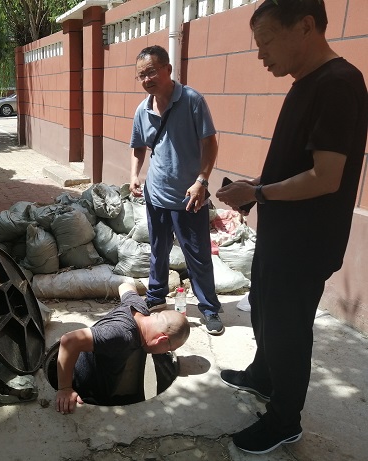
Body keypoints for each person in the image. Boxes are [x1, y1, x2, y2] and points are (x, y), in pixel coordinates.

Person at [216, 0, 368, 455]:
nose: (261, 54)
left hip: (306, 243)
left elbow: (326, 177)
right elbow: (293, 165)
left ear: (305, 26)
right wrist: (253, 187)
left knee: (288, 329)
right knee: (264, 310)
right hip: (281, 235)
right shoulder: (304, 83)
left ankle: (285, 420)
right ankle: (263, 376)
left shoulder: (339, 83)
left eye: (266, 41)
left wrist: (259, 194)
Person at [129, 45, 224, 335]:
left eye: (151, 72)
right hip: (156, 194)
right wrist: (134, 175)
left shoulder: (192, 100)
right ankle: (156, 296)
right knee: (158, 251)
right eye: (141, 75)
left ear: (168, 69)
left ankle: (209, 308)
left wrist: (202, 181)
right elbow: (138, 147)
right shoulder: (142, 109)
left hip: (189, 197)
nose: (147, 79)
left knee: (197, 255)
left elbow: (210, 143)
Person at [55, 282, 190, 414]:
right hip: (83, 390)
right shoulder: (121, 335)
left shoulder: (139, 307)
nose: (166, 352)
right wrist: (65, 388)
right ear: (161, 339)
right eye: (169, 349)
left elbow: (125, 285)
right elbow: (69, 340)